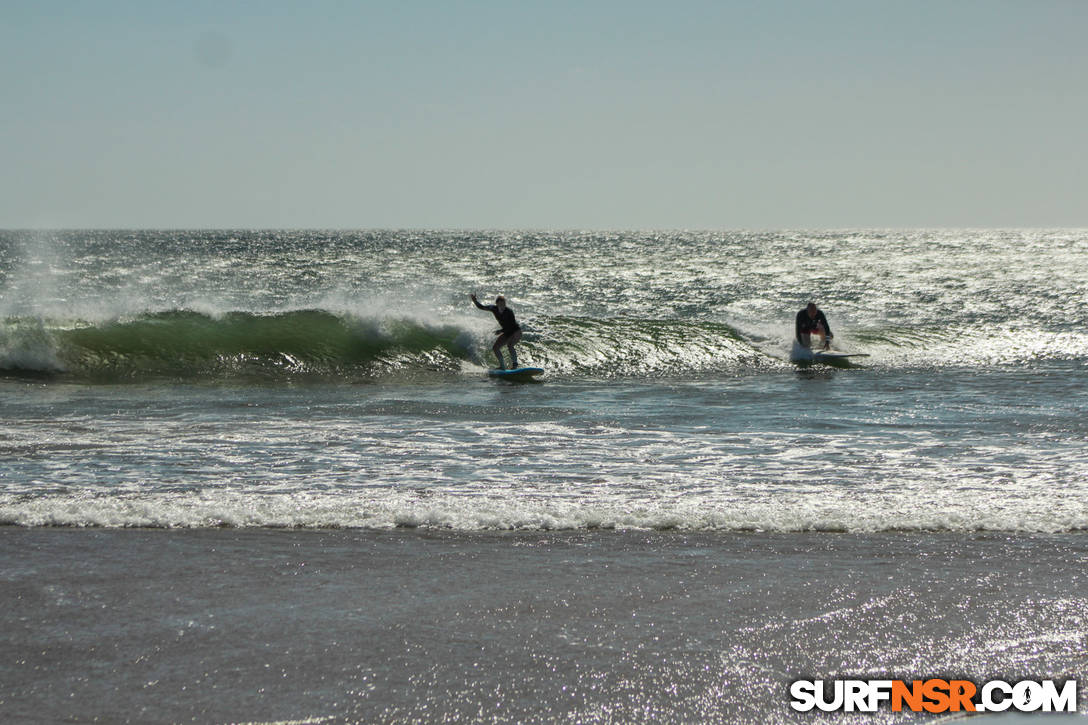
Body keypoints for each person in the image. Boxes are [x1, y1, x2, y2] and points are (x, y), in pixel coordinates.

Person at [471, 293, 522, 369]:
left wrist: (500, 331)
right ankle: (502, 366)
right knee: (495, 348)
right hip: (506, 331)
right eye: (501, 304)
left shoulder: (509, 312)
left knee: (510, 345)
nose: (502, 306)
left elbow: (511, 326)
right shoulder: (493, 308)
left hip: (515, 331)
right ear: (497, 304)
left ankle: (515, 365)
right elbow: (481, 307)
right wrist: (475, 301)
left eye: (504, 304)